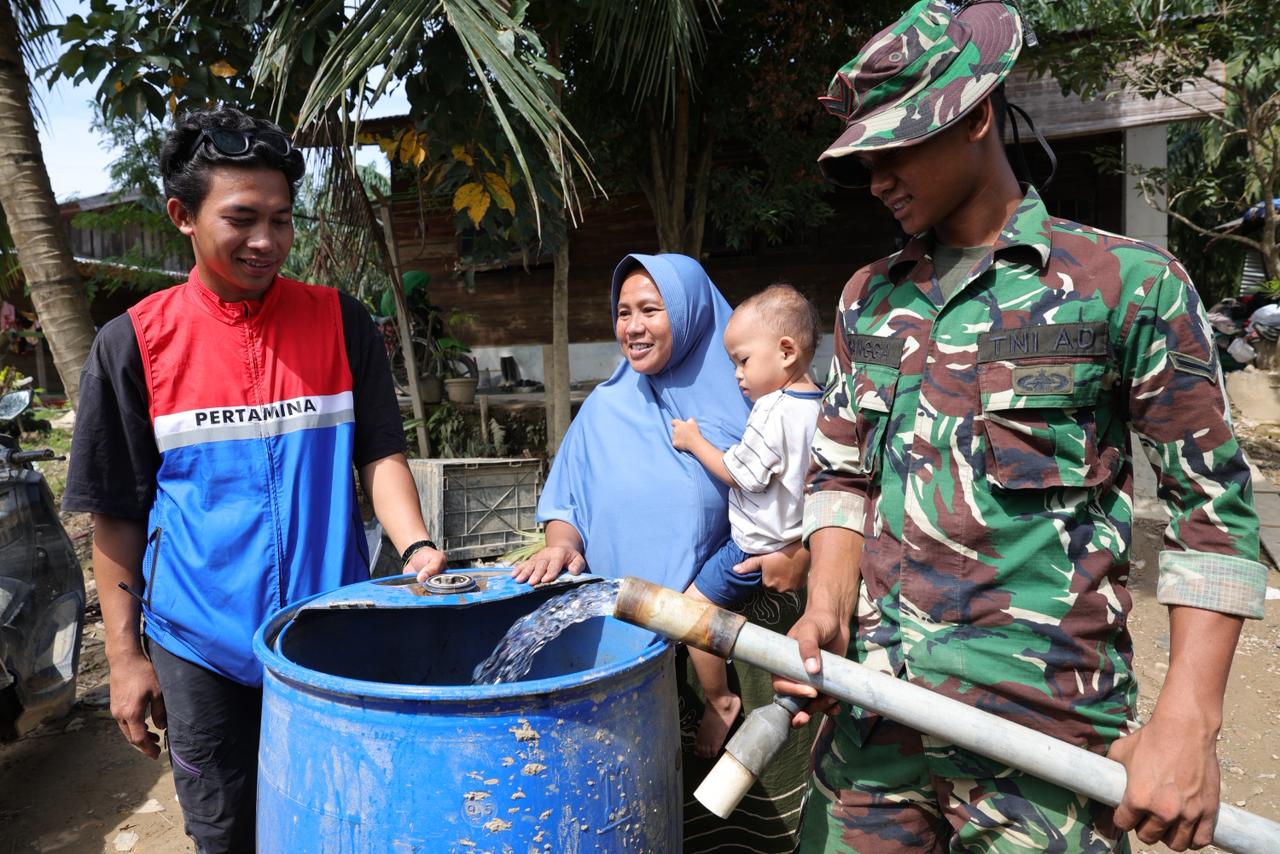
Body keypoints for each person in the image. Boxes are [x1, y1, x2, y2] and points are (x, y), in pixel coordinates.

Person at [780, 3, 1268, 853]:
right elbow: (841, 475)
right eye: (864, 161)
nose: (878, 179)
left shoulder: (1127, 285)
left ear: (974, 117)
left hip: (1046, 752)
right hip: (871, 733)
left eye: (894, 151)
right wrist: (825, 608)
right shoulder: (870, 298)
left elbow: (1211, 510)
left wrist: (1188, 726)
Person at [62, 107, 448, 853]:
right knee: (227, 829)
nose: (266, 241)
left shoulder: (342, 322)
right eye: (242, 218)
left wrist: (417, 546)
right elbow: (113, 512)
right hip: (198, 646)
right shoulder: (132, 343)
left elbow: (380, 454)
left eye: (281, 219)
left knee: (346, 819)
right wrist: (123, 657)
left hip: (328, 633)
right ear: (183, 215)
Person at [513, 253, 816, 852]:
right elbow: (568, 499)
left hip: (749, 642)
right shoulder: (604, 407)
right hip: (631, 649)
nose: (633, 326)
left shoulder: (761, 396)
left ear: (691, 313)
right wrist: (561, 544)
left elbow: (824, 487)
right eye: (623, 312)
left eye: (651, 309)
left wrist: (803, 553)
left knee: (751, 828)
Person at [669, 283, 823, 757]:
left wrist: (694, 442)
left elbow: (741, 475)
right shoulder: (821, 402)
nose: (737, 374)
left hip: (751, 548)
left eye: (742, 360)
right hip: (800, 544)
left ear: (786, 351)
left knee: (690, 614)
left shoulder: (771, 409)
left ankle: (720, 700)